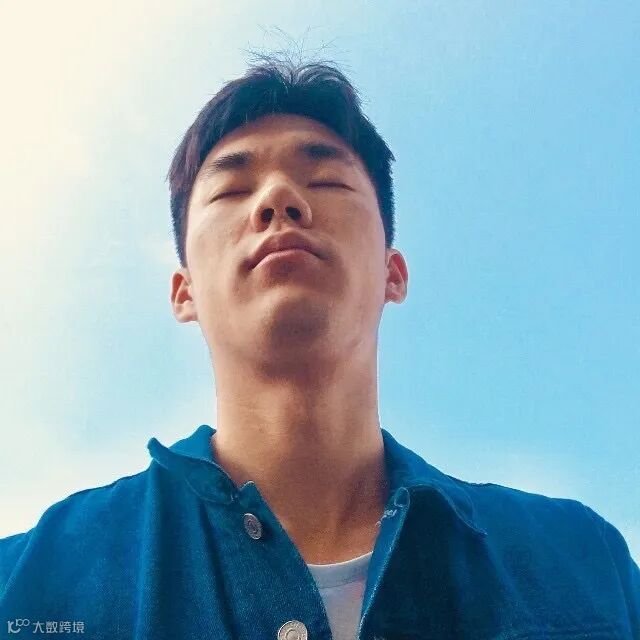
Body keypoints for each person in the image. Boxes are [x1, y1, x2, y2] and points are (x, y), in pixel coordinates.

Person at [1, 55, 638, 640]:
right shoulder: (27, 584)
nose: (279, 198)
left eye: (327, 180)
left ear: (393, 272)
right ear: (183, 291)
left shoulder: (586, 565)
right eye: (232, 189)